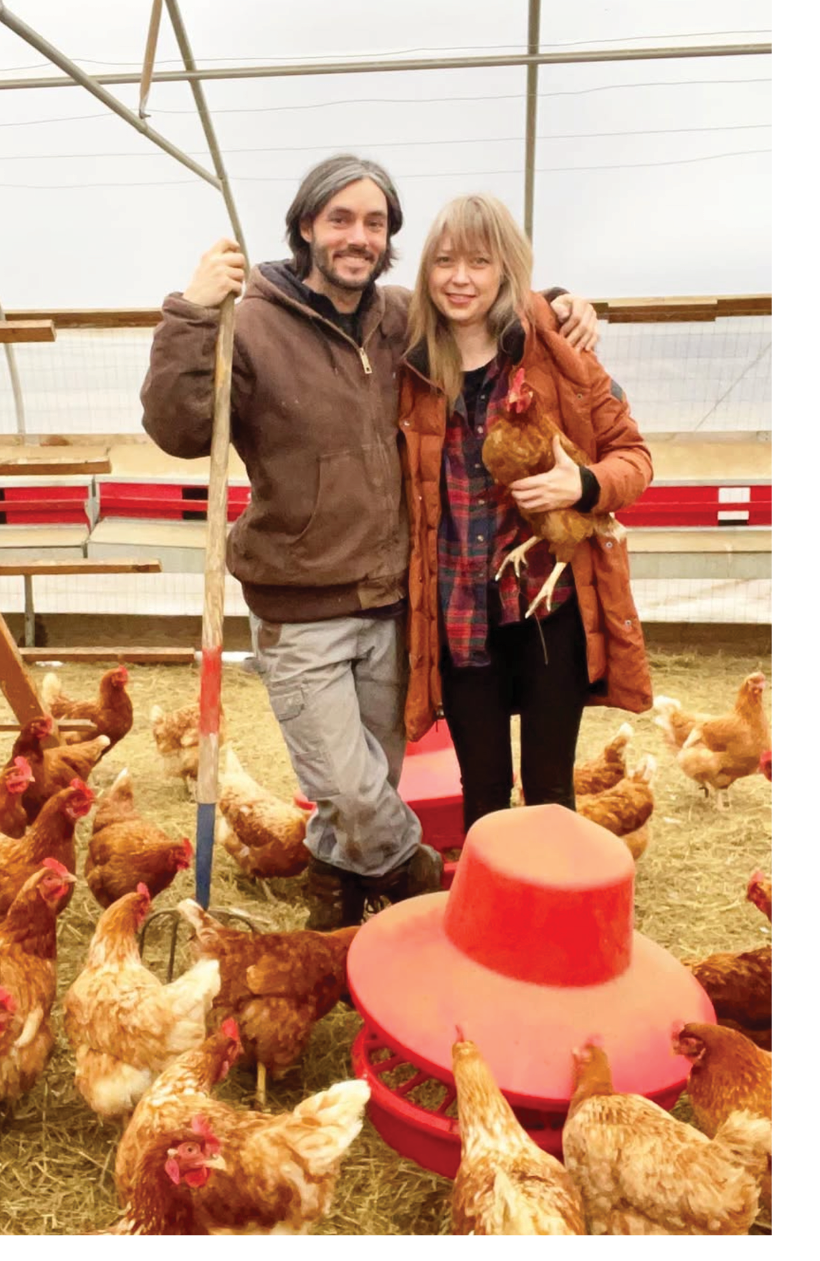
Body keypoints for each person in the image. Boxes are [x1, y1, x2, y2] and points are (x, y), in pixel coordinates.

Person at [139, 155, 598, 929]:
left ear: (388, 238)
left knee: (370, 777)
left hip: (392, 599)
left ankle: (338, 886)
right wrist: (190, 311)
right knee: (351, 789)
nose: (358, 236)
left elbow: (477, 300)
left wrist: (557, 302)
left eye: (375, 222)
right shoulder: (246, 323)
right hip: (299, 599)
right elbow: (178, 429)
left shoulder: (397, 316)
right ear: (306, 225)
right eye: (341, 219)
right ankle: (413, 872)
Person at [398, 192, 653, 836]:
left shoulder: (561, 353)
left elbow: (636, 456)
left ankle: (549, 918)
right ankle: (492, 919)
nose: (461, 278)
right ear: (426, 270)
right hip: (457, 613)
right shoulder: (409, 363)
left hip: (548, 607)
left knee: (548, 789)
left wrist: (584, 483)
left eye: (480, 262)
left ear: (507, 268)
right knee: (480, 791)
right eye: (446, 261)